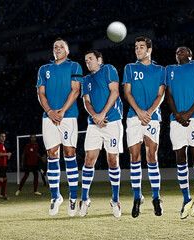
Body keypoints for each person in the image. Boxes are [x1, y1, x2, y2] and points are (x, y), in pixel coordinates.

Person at [36, 38, 83, 216]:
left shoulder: (74, 66)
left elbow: (76, 90)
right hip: (48, 117)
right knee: (52, 155)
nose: (58, 49)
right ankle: (55, 197)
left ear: (68, 51)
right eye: (55, 47)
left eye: (61, 46)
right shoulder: (44, 69)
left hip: (68, 116)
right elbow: (40, 93)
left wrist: (61, 111)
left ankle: (72, 197)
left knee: (69, 153)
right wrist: (49, 111)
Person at [166, 46, 194, 219]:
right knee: (180, 157)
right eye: (177, 51)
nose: (179, 53)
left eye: (183, 51)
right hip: (176, 119)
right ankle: (186, 199)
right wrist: (177, 114)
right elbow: (168, 95)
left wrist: (188, 113)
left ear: (190, 54)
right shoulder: (170, 70)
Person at [123, 36, 165, 218]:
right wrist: (140, 112)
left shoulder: (160, 70)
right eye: (136, 47)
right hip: (134, 117)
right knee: (134, 157)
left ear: (149, 49)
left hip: (153, 118)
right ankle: (136, 198)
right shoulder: (130, 68)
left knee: (152, 156)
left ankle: (156, 197)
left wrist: (148, 112)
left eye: (141, 47)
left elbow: (161, 94)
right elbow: (127, 92)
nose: (137, 50)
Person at [79, 50, 123, 218]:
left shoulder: (109, 69)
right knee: (89, 160)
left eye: (90, 58)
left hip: (112, 122)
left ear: (99, 59)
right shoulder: (85, 79)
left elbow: (115, 92)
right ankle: (84, 199)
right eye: (85, 59)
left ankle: (115, 199)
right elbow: (86, 101)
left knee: (113, 160)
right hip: (94, 124)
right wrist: (95, 117)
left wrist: (102, 114)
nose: (87, 62)